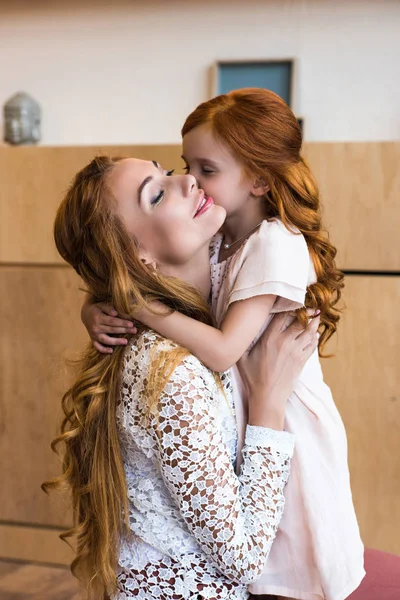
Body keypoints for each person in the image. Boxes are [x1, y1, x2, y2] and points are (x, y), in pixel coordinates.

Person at [82, 89, 365, 600]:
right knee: (260, 551)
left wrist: (141, 307)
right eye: (176, 174)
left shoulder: (272, 243)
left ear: (257, 179)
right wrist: (99, 306)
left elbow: (224, 350)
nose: (189, 179)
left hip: (279, 413)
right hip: (250, 403)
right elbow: (122, 264)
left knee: (301, 541)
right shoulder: (222, 236)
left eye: (203, 169)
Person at [44, 155, 320, 600]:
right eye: (156, 194)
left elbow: (111, 276)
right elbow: (244, 560)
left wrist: (97, 303)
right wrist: (269, 401)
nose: (188, 180)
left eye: (167, 172)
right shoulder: (171, 376)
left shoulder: (221, 272)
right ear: (138, 255)